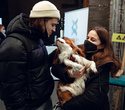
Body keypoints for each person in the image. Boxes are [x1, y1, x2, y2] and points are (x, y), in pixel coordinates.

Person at [0, 1, 60, 110]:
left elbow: (38, 64)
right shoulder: (13, 46)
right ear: (42, 20)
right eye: (52, 25)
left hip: (44, 100)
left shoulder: (36, 38)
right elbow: (11, 92)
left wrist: (59, 53)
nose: (54, 29)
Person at [52, 26, 121, 110]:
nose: (88, 41)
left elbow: (93, 97)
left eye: (93, 40)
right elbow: (55, 67)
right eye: (87, 38)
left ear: (102, 45)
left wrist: (67, 105)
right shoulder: (79, 49)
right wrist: (68, 74)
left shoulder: (103, 63)